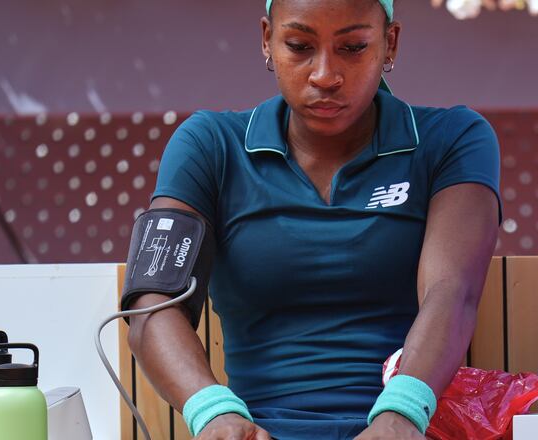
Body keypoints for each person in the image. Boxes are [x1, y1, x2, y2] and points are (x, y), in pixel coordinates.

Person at [124, 0, 501, 438]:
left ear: (390, 43)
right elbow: (152, 301)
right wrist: (214, 412)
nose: (325, 75)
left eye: (354, 47)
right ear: (267, 40)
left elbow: (452, 293)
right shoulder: (210, 146)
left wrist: (400, 414)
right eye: (300, 45)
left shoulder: (451, 140)